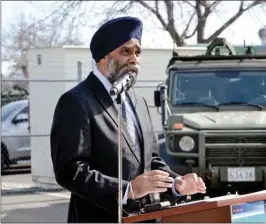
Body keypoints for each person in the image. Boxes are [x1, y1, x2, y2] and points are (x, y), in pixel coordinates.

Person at [50, 16, 206, 223]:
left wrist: (175, 183)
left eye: (137, 52)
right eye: (126, 51)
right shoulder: (75, 102)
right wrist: (127, 190)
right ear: (103, 57)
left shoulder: (138, 100)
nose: (134, 59)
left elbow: (151, 162)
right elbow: (70, 171)